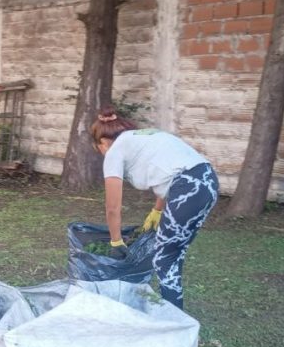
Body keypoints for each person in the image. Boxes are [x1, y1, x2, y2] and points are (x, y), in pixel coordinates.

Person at [90, 106, 219, 310]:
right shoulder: (142, 137)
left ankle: (173, 320)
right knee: (174, 253)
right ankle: (174, 314)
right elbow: (167, 173)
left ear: (103, 142)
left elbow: (113, 207)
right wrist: (157, 210)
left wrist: (116, 241)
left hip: (188, 188)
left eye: (99, 148)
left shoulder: (114, 151)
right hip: (207, 182)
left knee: (164, 258)